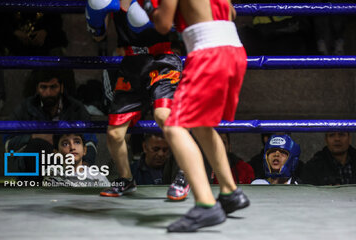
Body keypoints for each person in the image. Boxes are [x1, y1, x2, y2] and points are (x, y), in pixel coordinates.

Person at [140, 0, 250, 232]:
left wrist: (147, 5)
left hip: (209, 53)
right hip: (234, 50)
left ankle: (206, 204)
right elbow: (232, 11)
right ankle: (230, 192)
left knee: (173, 126)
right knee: (202, 125)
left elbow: (163, 24)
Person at [85, 0, 186, 199]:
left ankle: (184, 173)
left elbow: (174, 24)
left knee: (164, 115)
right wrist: (96, 20)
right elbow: (99, 37)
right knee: (114, 134)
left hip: (162, 61)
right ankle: (126, 179)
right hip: (132, 66)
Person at [4, 70, 98, 182]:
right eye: (43, 87)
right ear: (37, 89)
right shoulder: (25, 109)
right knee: (37, 144)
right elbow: (8, 145)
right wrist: (34, 136)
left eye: (53, 87)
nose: (48, 92)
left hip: (66, 166)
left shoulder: (75, 109)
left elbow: (90, 142)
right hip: (34, 166)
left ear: (61, 87)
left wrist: (84, 167)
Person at [45, 133, 110, 187]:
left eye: (77, 142)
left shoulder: (97, 177)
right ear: (57, 153)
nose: (72, 147)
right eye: (65, 144)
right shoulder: (53, 175)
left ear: (84, 150)